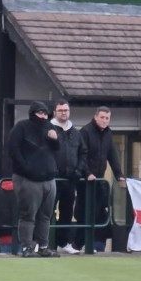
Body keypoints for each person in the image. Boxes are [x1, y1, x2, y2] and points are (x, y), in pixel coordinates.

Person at [7, 101, 60, 258]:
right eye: (40, 113)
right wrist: (26, 169)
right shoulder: (21, 127)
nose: (43, 116)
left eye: (45, 113)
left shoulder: (50, 128)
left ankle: (43, 246)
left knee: (46, 216)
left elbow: (58, 149)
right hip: (28, 179)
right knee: (28, 215)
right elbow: (13, 149)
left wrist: (55, 139)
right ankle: (26, 247)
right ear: (32, 113)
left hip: (49, 179)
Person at [73, 106, 126, 253]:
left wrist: (119, 174)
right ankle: (78, 244)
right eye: (102, 117)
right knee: (84, 212)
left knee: (98, 212)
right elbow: (81, 155)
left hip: (99, 179)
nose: (104, 121)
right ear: (96, 117)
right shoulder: (85, 132)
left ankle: (92, 244)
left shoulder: (108, 133)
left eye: (107, 118)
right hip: (85, 181)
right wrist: (87, 173)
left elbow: (112, 155)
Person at [51, 99, 85, 255]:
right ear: (55, 112)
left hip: (70, 180)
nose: (63, 113)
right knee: (47, 211)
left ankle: (63, 242)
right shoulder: (48, 129)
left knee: (67, 212)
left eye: (66, 110)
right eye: (60, 110)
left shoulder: (76, 133)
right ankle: (44, 242)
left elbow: (83, 153)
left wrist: (78, 170)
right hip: (52, 179)